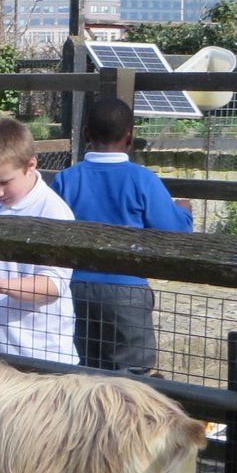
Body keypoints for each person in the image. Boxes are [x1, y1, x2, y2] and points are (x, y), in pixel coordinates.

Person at [49, 97, 193, 374]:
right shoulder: (143, 179)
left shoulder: (66, 179)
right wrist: (184, 211)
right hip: (126, 288)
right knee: (131, 375)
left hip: (74, 286)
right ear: (130, 136)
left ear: (87, 135)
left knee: (83, 369)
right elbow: (176, 232)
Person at [0, 118, 78, 366]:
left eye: (5, 182)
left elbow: (53, 285)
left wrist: (4, 286)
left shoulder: (53, 212)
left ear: (31, 165)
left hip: (35, 356)